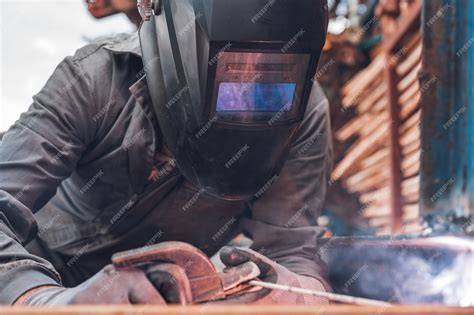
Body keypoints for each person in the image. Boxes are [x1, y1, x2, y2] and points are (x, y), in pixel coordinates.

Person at [0, 0, 333, 305]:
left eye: (274, 77)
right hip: (41, 277)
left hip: (167, 301)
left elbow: (293, 250)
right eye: (234, 72)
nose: (250, 91)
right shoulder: (94, 79)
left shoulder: (303, 113)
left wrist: (300, 295)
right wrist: (43, 300)